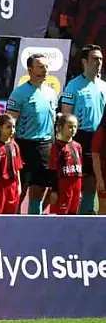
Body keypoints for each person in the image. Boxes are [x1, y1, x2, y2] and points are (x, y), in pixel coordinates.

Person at [5, 52, 58, 215]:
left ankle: (35, 225)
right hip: (24, 146)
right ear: (30, 69)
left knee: (40, 189)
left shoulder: (51, 93)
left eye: (46, 66)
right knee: (19, 190)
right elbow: (9, 124)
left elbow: (53, 121)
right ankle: (11, 224)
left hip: (45, 147)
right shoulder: (19, 94)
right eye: (41, 66)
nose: (45, 70)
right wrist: (9, 150)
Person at [61, 45, 106, 214]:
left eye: (100, 59)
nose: (99, 62)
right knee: (77, 179)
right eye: (95, 59)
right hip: (80, 137)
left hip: (100, 138)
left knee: (95, 179)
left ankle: (87, 212)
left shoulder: (103, 86)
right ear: (84, 62)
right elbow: (66, 115)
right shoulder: (73, 86)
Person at [52, 114, 82, 215]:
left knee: (73, 213)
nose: (73, 129)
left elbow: (80, 167)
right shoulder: (57, 147)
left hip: (77, 183)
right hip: (64, 185)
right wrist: (54, 190)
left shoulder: (78, 146)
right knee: (62, 213)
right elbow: (53, 170)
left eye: (75, 126)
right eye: (69, 126)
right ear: (61, 128)